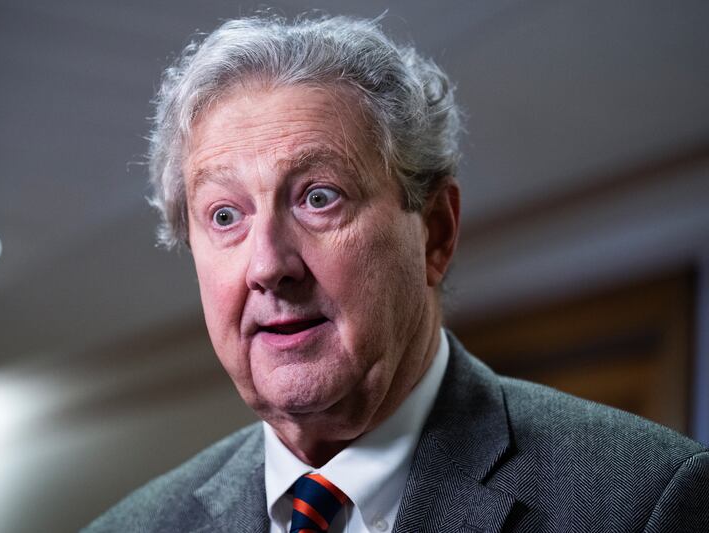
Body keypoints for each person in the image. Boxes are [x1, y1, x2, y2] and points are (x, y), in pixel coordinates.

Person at [84, 14, 708, 533]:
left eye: (319, 197)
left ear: (434, 232)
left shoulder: (645, 501)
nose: (269, 265)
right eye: (225, 215)